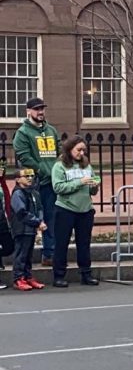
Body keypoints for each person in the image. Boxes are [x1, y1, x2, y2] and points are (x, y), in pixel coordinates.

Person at [12, 97, 59, 267]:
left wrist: (57, 172)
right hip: (35, 182)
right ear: (28, 111)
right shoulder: (23, 133)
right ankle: (25, 261)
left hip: (52, 183)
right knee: (35, 219)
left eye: (42, 109)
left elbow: (59, 152)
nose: (40, 112)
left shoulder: (52, 130)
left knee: (51, 218)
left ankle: (49, 254)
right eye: (36, 109)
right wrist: (46, 170)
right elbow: (25, 158)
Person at [51, 136, 100, 287]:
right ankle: (59, 275)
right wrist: (79, 182)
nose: (81, 153)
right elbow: (58, 187)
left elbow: (92, 190)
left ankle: (86, 274)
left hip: (85, 209)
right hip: (65, 209)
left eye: (83, 150)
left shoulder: (86, 165)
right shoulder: (59, 166)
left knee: (84, 243)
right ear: (69, 149)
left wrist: (94, 184)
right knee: (61, 243)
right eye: (78, 150)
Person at [10, 167, 45, 291]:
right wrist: (37, 222)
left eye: (32, 176)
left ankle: (28, 276)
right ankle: (18, 278)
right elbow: (21, 212)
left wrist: (40, 220)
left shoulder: (34, 193)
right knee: (21, 254)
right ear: (18, 179)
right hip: (21, 229)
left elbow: (40, 208)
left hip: (31, 229)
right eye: (27, 176)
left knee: (28, 254)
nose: (30, 179)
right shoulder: (18, 193)